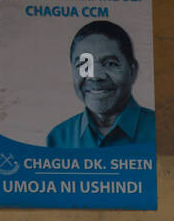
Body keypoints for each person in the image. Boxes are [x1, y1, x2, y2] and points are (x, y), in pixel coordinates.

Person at [46, 20, 155, 149]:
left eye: (110, 64)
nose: (95, 76)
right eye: (84, 65)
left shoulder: (161, 130)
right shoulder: (59, 138)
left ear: (132, 70)